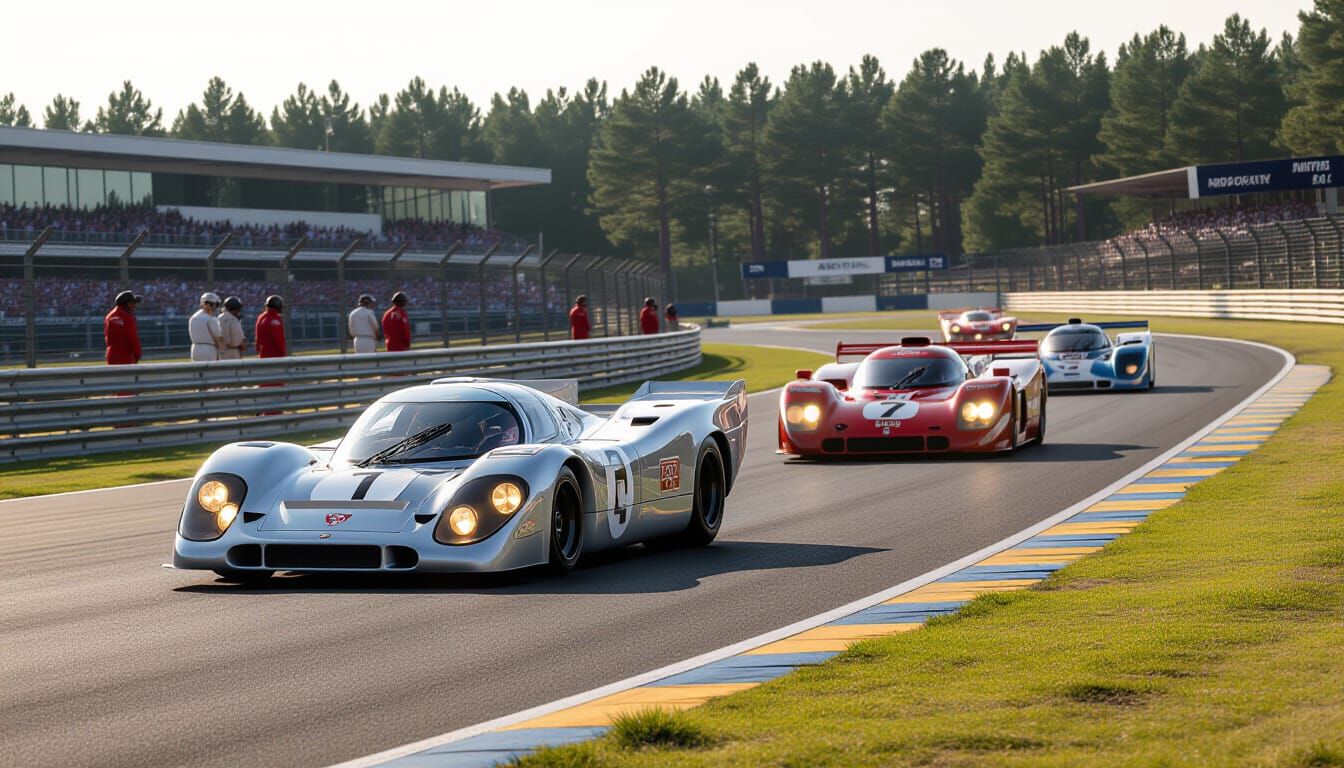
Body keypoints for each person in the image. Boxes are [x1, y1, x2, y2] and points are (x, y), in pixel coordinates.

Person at [104, 290, 142, 365]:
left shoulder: (108, 316)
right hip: (126, 357)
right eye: (133, 303)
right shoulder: (128, 317)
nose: (135, 306)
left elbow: (106, 338)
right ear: (128, 304)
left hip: (111, 356)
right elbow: (133, 338)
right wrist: (138, 355)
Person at [188, 292, 224, 362]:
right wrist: (222, 351)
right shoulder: (211, 318)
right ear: (207, 304)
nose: (215, 307)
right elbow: (218, 338)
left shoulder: (193, 317)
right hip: (209, 349)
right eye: (215, 304)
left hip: (195, 348)